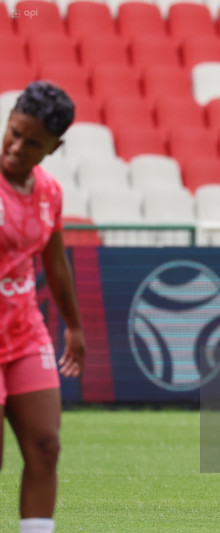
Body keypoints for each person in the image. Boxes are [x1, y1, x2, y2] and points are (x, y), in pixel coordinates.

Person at [0, 81, 86, 533]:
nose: (16, 147)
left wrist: (73, 326)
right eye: (13, 132)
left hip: (22, 331)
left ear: (55, 146)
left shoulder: (49, 192)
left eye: (32, 142)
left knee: (46, 445)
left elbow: (55, 263)